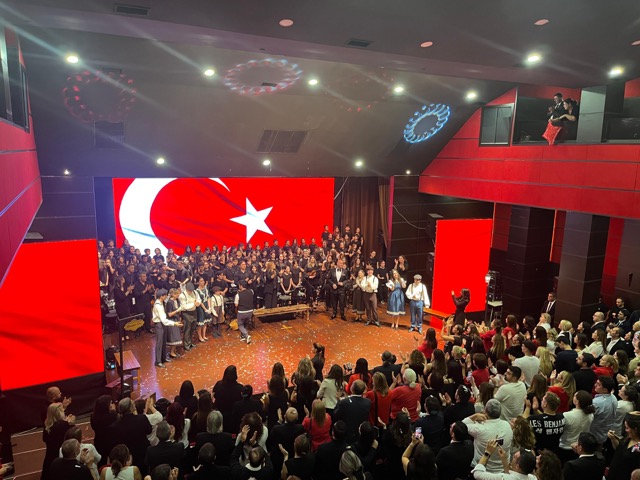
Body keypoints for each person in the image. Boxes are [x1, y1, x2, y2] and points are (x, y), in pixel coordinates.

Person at [462, 399, 513, 474]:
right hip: (503, 471)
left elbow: (461, 426)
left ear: (485, 411)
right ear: (500, 412)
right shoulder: (507, 425)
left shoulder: (479, 428)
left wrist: (474, 416)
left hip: (482, 471)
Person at [471, 438, 536, 480]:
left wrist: (487, 453)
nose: (513, 457)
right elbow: (513, 475)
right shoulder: (532, 478)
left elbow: (477, 474)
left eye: (514, 457)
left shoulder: (503, 478)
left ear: (517, 466)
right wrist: (504, 460)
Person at [558, 390, 595, 463]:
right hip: (579, 447)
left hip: (566, 446)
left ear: (577, 402)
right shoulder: (590, 415)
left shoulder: (567, 415)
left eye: (575, 396)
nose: (573, 396)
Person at [42, 402, 75, 480]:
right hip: (61, 454)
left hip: (50, 455)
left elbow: (44, 439)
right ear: (58, 413)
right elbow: (73, 435)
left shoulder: (47, 425)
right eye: (62, 410)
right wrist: (70, 423)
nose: (64, 412)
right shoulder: (63, 425)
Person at [334, 380, 371, 444]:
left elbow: (336, 414)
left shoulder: (344, 402)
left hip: (347, 434)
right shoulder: (368, 402)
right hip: (360, 434)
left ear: (352, 389)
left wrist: (339, 402)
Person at [212, 365, 244, 434]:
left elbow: (214, 395)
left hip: (220, 416)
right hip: (234, 417)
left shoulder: (218, 384)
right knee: (233, 434)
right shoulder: (240, 388)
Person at [589, 376, 618, 445]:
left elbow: (588, 416)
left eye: (598, 384)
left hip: (594, 433)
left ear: (605, 390)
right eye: (596, 383)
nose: (595, 385)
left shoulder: (596, 402)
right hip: (604, 431)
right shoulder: (613, 397)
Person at [178, 283, 198, 351]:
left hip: (194, 311)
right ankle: (186, 345)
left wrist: (197, 303)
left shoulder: (194, 292)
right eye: (190, 290)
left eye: (192, 290)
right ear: (186, 289)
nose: (191, 292)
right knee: (187, 329)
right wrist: (193, 303)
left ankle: (190, 342)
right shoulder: (182, 296)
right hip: (186, 313)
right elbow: (184, 307)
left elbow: (198, 299)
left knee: (192, 328)